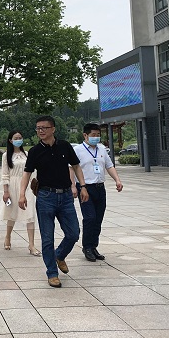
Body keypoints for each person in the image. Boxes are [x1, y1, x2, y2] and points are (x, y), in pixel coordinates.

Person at [18, 116, 89, 288]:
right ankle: (52, 273)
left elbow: (76, 166)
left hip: (65, 197)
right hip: (45, 197)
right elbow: (27, 173)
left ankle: (60, 255)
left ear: (53, 129)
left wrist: (83, 186)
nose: (41, 131)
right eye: (38, 128)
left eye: (44, 127)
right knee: (47, 238)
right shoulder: (35, 151)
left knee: (73, 233)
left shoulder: (65, 146)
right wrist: (22, 194)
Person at [71, 122, 124, 262]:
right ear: (85, 135)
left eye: (98, 135)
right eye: (93, 135)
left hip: (100, 188)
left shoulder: (102, 149)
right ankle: (87, 247)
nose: (96, 137)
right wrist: (73, 186)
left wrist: (117, 180)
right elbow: (71, 168)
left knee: (98, 219)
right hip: (85, 188)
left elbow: (109, 166)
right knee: (90, 218)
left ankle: (94, 246)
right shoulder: (78, 150)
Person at [0, 130, 40, 255]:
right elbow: (5, 174)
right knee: (12, 213)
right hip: (13, 186)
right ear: (10, 140)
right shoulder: (6, 156)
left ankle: (31, 244)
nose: (19, 140)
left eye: (20, 137)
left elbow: (32, 171)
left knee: (30, 214)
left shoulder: (26, 154)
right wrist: (6, 191)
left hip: (26, 186)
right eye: (16, 138)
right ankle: (8, 236)